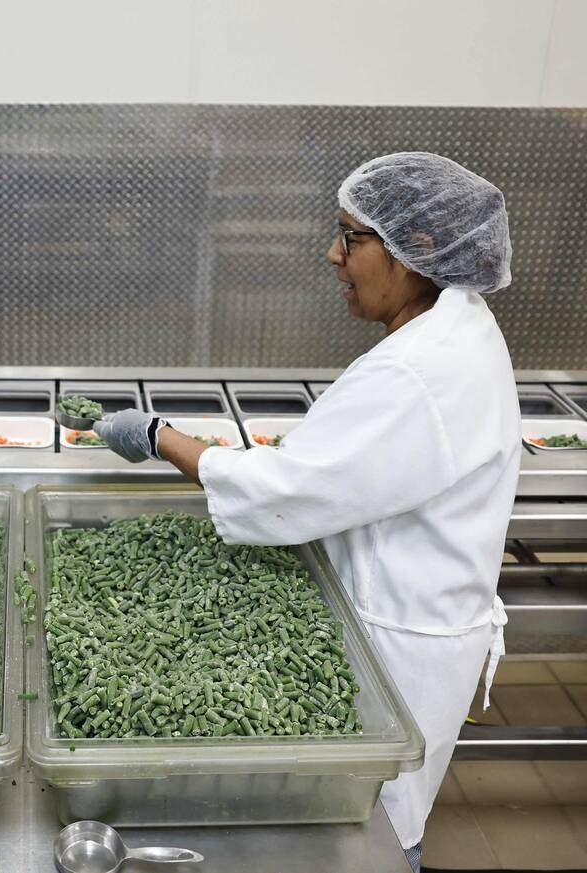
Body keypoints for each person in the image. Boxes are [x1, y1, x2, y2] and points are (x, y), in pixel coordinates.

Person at [93, 152, 519, 873]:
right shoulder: (453, 331)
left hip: (397, 644)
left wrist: (159, 437)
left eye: (351, 237)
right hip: (400, 616)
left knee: (371, 837)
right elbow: (341, 469)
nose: (333, 254)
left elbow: (285, 492)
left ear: (416, 248)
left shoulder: (421, 370)